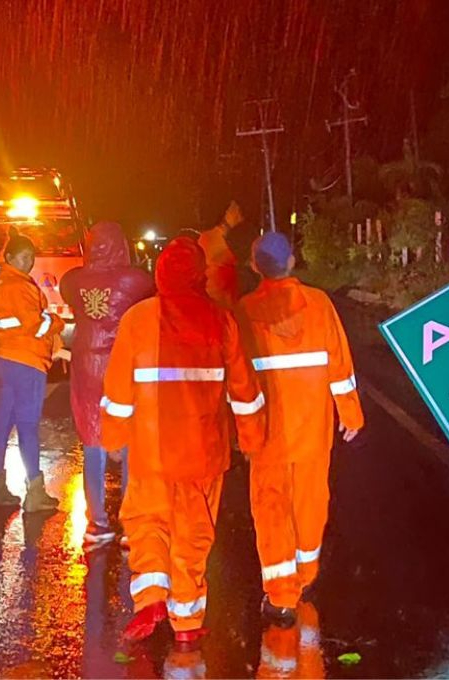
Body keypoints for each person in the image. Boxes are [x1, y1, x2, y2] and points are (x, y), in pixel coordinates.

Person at [101, 238, 265, 645]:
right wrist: (252, 437)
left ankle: (152, 599)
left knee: (146, 523)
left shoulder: (138, 319)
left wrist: (112, 437)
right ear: (200, 275)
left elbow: (118, 390)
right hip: (202, 452)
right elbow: (244, 390)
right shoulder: (220, 320)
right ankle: (187, 624)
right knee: (193, 535)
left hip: (150, 451)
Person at [234, 232, 364, 625]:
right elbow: (339, 364)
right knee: (310, 502)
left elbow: (236, 377)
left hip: (267, 430)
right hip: (313, 429)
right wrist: (351, 414)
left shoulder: (243, 311)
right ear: (292, 262)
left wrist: (235, 428)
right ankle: (305, 576)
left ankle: (281, 595)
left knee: (272, 507)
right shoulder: (319, 304)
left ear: (255, 266)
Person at [60, 222, 154, 545]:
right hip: (120, 364)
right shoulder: (133, 281)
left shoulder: (73, 281)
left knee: (92, 440)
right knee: (129, 443)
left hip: (86, 364)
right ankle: (131, 523)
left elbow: (66, 288)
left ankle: (97, 523)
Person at [0, 227, 65, 512]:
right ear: (10, 256)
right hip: (26, 362)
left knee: (1, 424)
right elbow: (37, 325)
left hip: (1, 358)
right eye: (23, 257)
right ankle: (35, 492)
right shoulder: (20, 287)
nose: (28, 262)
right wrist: (56, 323)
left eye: (31, 257)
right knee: (28, 425)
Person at [197, 201, 245, 308]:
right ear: (226, 213)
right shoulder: (207, 238)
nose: (239, 215)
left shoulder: (239, 239)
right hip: (213, 301)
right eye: (234, 210)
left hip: (230, 302)